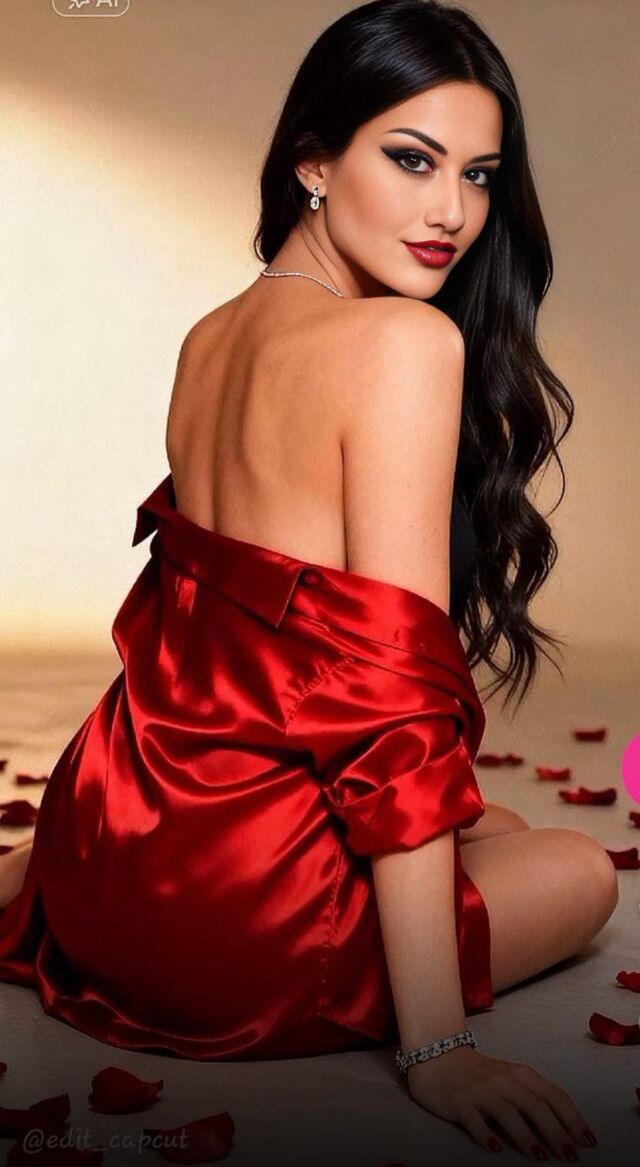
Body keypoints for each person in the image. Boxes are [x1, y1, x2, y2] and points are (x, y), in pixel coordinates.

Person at [0, 0, 615, 1159]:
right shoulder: (403, 346)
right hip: (237, 942)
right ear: (313, 162)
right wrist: (438, 1050)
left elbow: (205, 646)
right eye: (412, 159)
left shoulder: (211, 336)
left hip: (113, 853)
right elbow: (390, 705)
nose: (451, 212)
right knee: (580, 872)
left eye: (478, 175)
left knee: (496, 823)